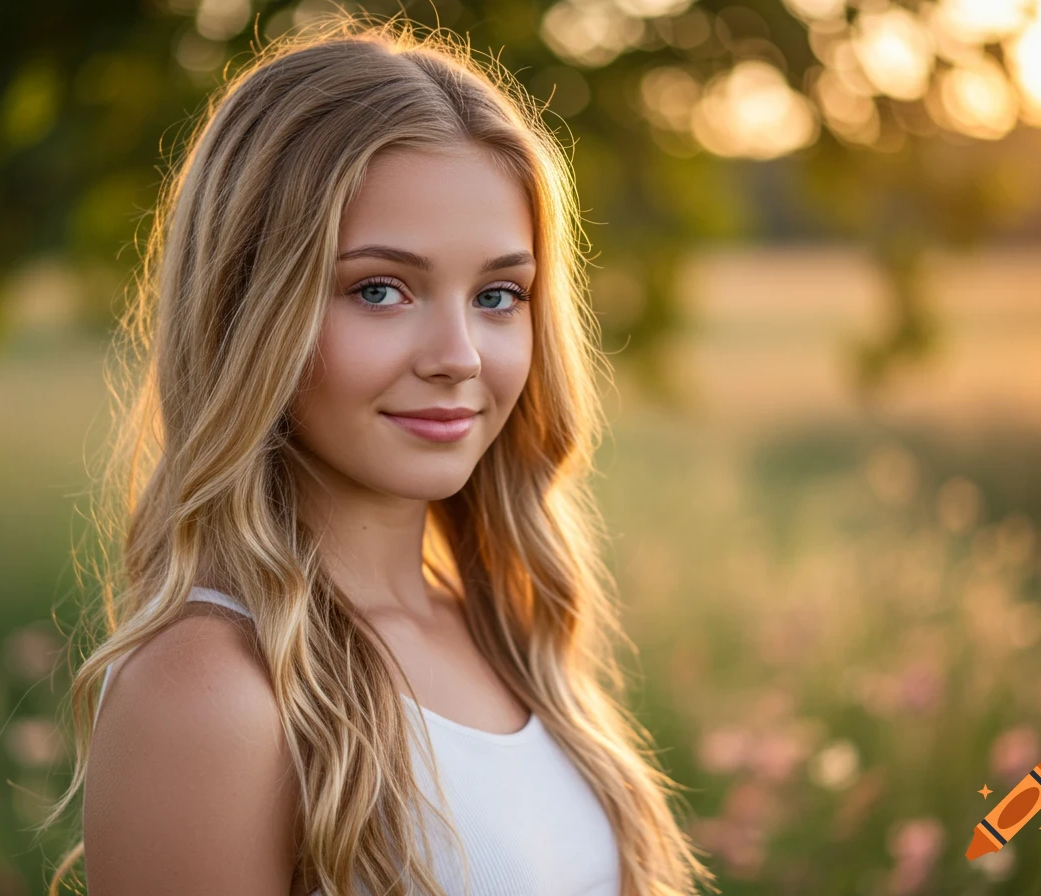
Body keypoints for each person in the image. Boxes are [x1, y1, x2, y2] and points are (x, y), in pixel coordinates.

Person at [39, 12, 716, 896]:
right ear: (248, 309)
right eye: (381, 289)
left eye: (499, 295)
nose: (458, 357)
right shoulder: (210, 690)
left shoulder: (500, 625)